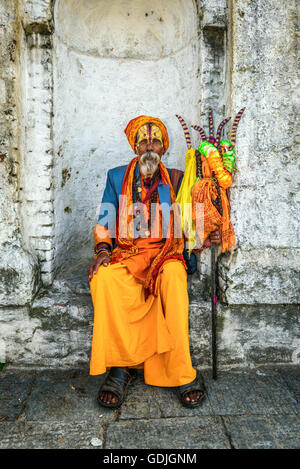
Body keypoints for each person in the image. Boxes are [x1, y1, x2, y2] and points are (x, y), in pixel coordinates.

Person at [88, 116, 221, 409]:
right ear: (135, 146)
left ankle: (180, 372)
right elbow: (104, 221)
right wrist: (102, 251)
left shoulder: (175, 178)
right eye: (144, 141)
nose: (150, 146)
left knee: (174, 279)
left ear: (163, 146)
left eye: (156, 140)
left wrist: (205, 230)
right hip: (129, 254)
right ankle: (120, 367)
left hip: (165, 256)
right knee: (104, 279)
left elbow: (190, 220)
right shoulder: (116, 176)